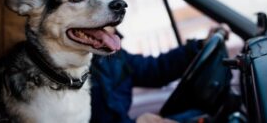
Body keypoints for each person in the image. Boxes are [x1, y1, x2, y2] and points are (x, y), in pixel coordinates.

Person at [90, 24, 231, 123]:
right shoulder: (73, 72)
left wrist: (199, 46)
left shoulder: (114, 56)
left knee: (200, 115)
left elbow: (155, 69)